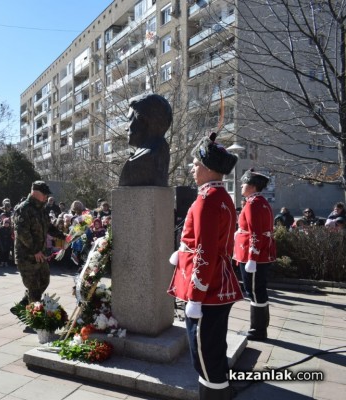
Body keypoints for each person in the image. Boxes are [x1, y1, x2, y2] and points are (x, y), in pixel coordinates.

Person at [167, 132, 243, 399]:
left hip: (207, 290)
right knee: (213, 349)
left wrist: (196, 297)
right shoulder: (219, 196)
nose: (192, 168)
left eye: (196, 164)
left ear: (209, 168)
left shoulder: (208, 199)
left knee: (204, 355)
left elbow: (206, 252)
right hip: (217, 283)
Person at [234, 169, 276, 342]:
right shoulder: (259, 201)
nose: (241, 187)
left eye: (244, 184)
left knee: (254, 292)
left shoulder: (253, 203)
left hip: (253, 257)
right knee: (257, 291)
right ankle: (259, 329)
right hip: (257, 255)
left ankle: (257, 330)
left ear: (252, 186)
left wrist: (252, 257)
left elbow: (255, 232)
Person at [12, 181, 67, 311]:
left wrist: (64, 236)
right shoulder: (23, 209)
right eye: (45, 194)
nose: (46, 197)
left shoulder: (41, 208)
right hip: (27, 255)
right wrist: (35, 250)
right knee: (34, 287)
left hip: (39, 254)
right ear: (36, 193)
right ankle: (33, 316)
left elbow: (48, 226)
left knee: (44, 280)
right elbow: (22, 233)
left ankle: (24, 303)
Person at [118, 94, 172, 187]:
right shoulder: (159, 150)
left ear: (144, 121)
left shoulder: (147, 157)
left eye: (130, 119)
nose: (126, 128)